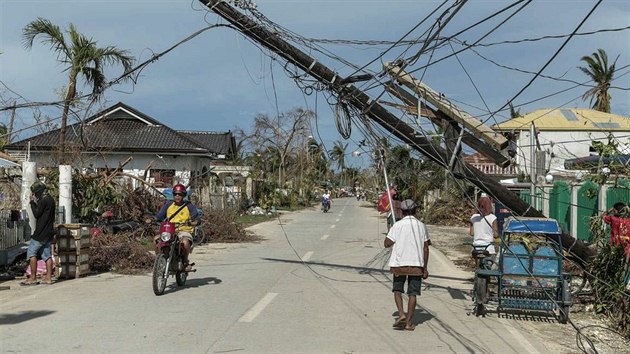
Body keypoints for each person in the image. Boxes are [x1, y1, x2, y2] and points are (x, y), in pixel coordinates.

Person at [384, 199, 430, 331]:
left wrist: (391, 232)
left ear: (402, 212)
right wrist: (425, 268)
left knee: (397, 290)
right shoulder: (422, 226)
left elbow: (387, 243)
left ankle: (401, 314)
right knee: (413, 294)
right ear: (415, 211)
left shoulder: (397, 226)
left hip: (399, 265)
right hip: (417, 266)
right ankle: (409, 323)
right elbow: (426, 248)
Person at [147, 184, 200, 271]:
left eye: (180, 194)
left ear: (183, 195)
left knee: (185, 243)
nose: (177, 196)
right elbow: (160, 215)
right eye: (175, 194)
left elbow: (196, 218)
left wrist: (194, 222)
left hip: (184, 230)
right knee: (156, 239)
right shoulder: (168, 205)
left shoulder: (189, 206)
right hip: (169, 230)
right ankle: (160, 260)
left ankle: (185, 261)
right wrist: (152, 219)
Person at [22, 181, 56, 286]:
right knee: (47, 256)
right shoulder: (51, 200)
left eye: (35, 193)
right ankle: (49, 278)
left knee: (31, 254)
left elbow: (37, 214)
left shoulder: (43, 201)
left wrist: (32, 202)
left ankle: (33, 278)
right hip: (48, 233)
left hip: (39, 234)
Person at [469, 195, 499, 260]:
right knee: (489, 267)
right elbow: (496, 235)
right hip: (488, 248)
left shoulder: (473, 217)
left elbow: (471, 233)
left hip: (476, 247)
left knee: (478, 266)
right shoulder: (493, 218)